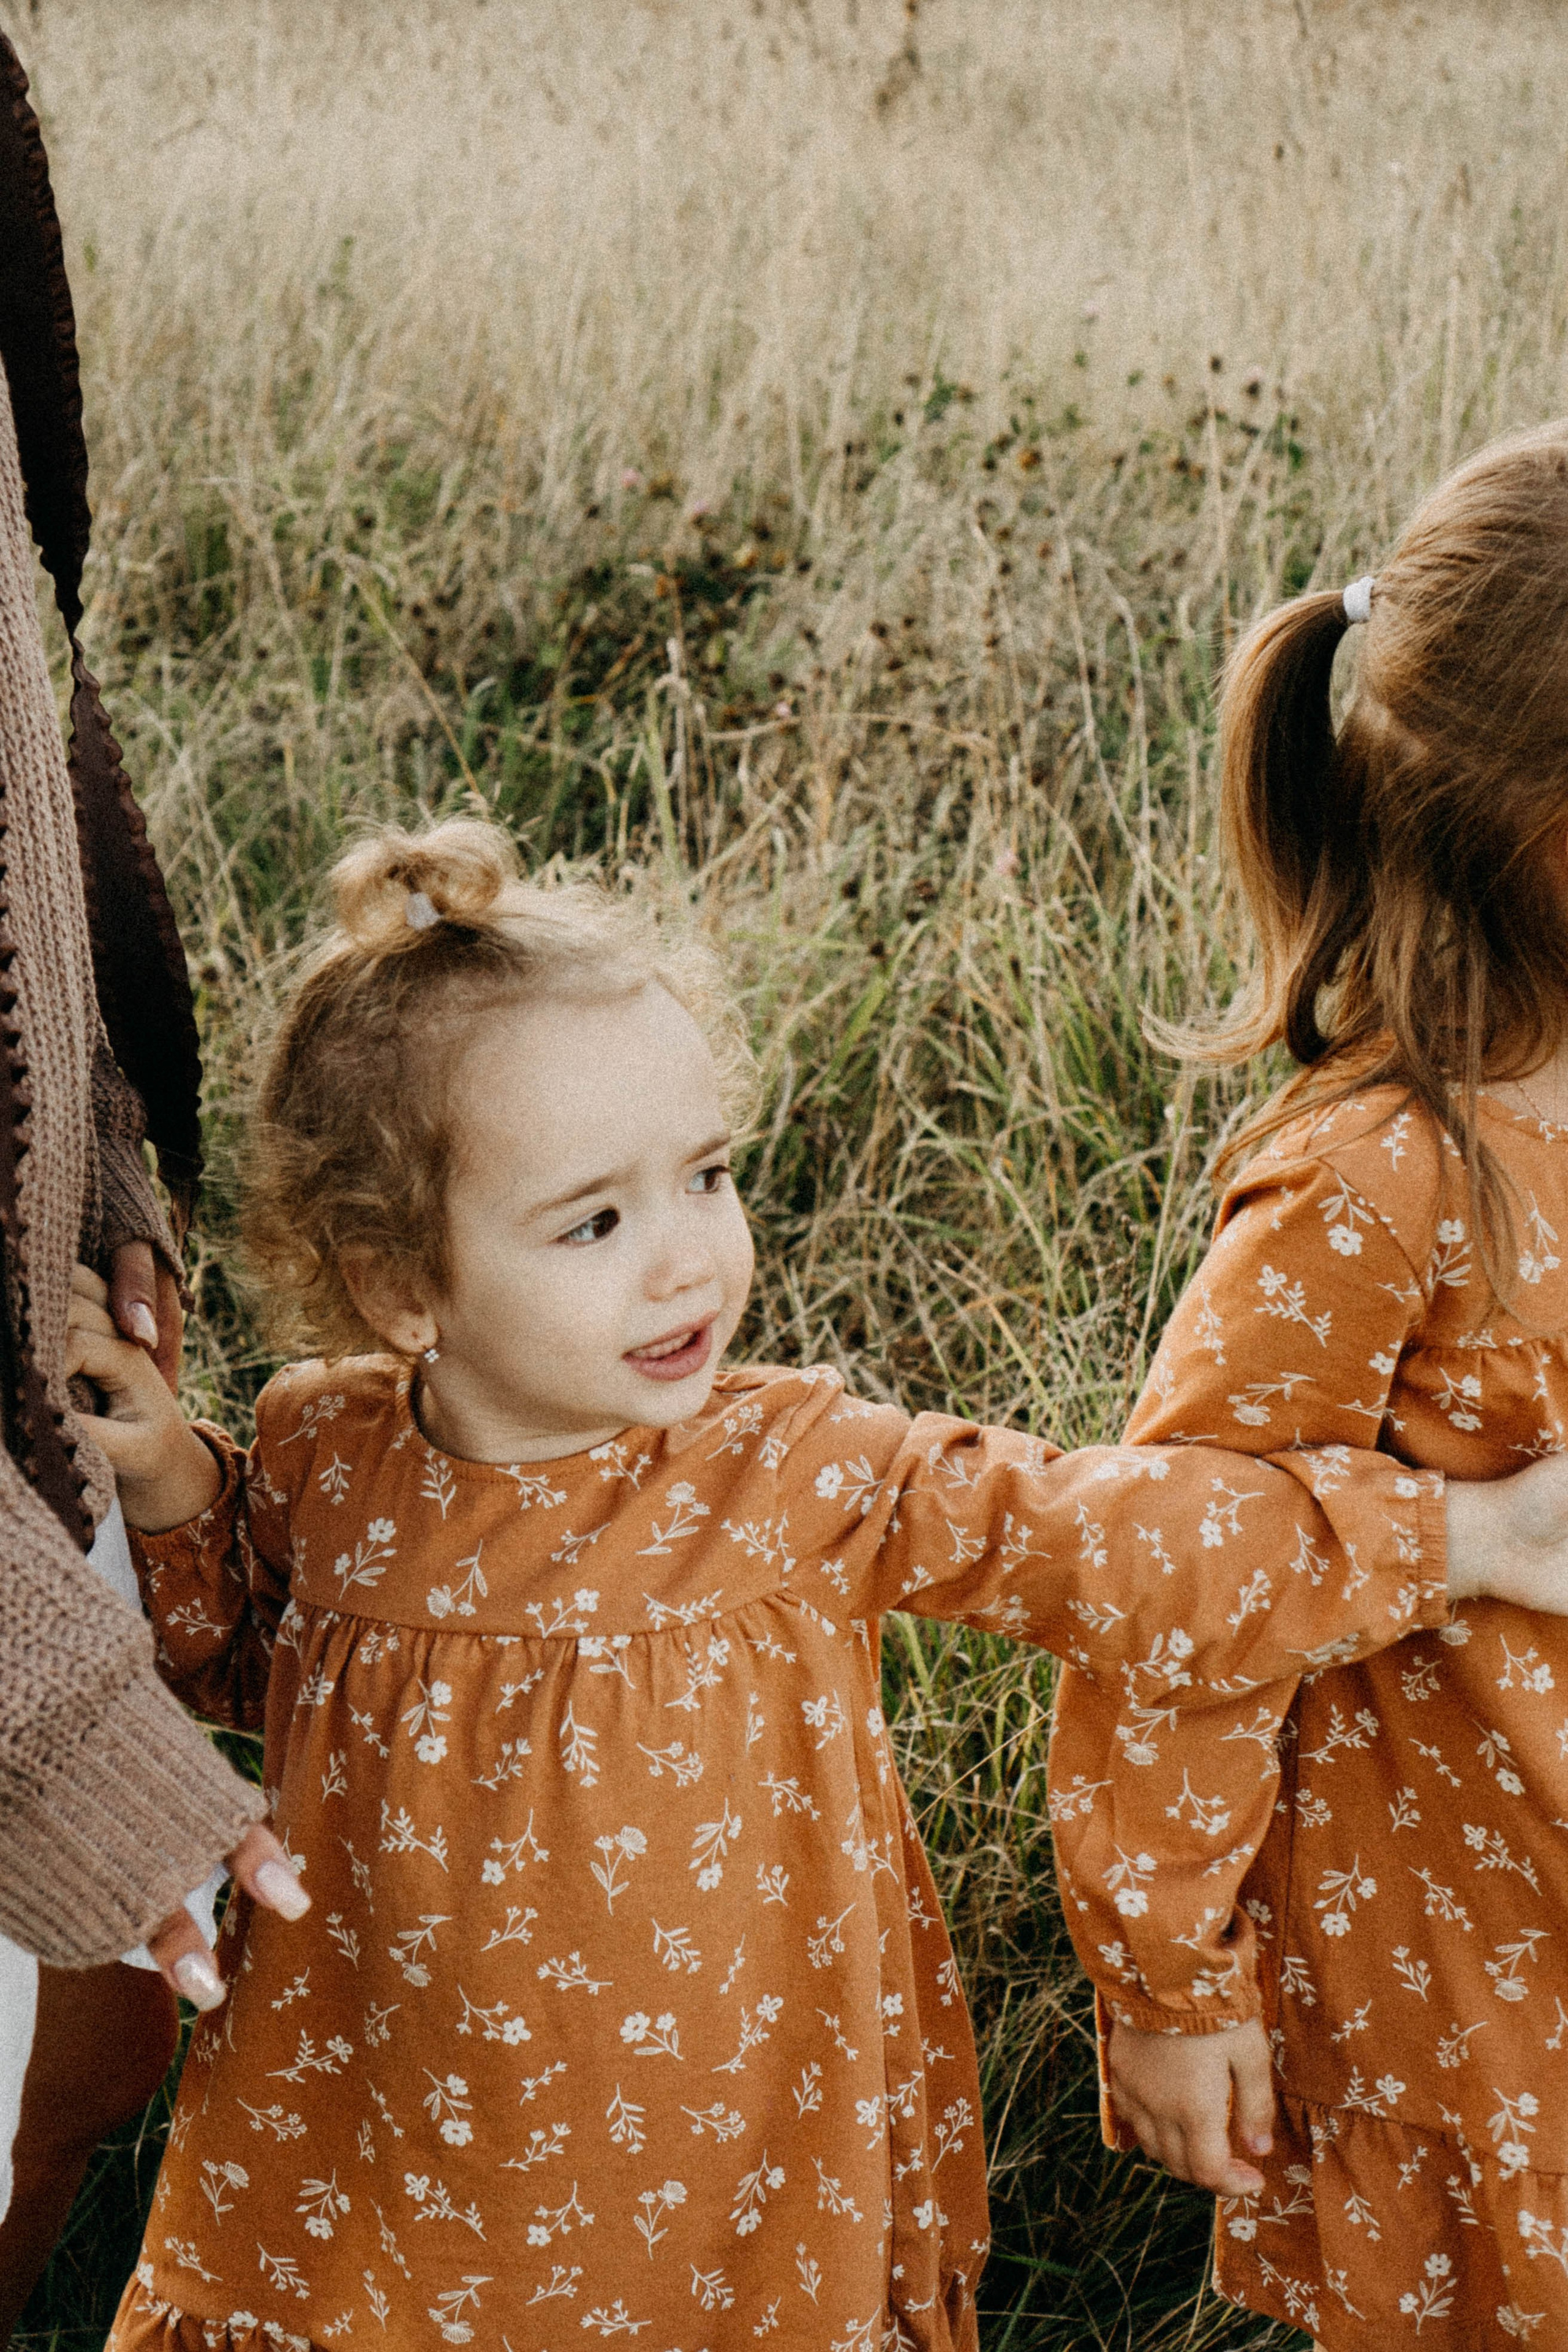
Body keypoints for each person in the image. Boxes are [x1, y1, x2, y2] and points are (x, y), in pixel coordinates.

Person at [63, 817, 1568, 2352]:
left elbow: (1105, 1540)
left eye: (706, 1177)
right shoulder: (329, 1456)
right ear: (399, 1285)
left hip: (730, 2159)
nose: (686, 1261)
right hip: (385, 2143)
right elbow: (257, 1672)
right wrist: (174, 1479)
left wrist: (1457, 1539)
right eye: (594, 1219)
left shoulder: (788, 1467)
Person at [1049, 420, 1568, 2350]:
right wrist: (1167, 1980)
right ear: (1542, 831)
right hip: (1468, 1948)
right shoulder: (1382, 1178)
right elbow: (1179, 1578)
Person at [0, 31, 310, 2330]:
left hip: (37, 1391)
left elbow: (25, 700)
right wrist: (57, 1702)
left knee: (70, 2082)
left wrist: (96, 1125)